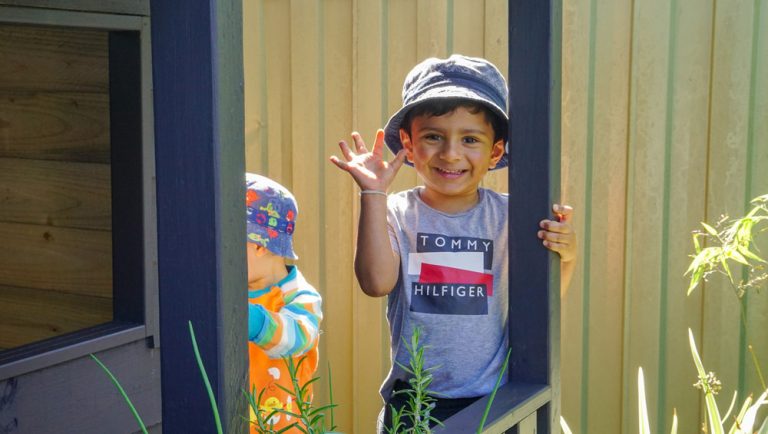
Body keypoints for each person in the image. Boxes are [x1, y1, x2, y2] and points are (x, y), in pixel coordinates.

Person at [329, 54, 577, 431]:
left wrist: (567, 254)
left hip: (492, 400)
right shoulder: (396, 211)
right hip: (413, 404)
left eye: (470, 139)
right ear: (409, 146)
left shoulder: (511, 216)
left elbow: (542, 301)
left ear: (495, 152)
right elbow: (375, 282)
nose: (450, 153)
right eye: (433, 136)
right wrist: (373, 195)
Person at [245, 173, 323, 433]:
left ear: (259, 246)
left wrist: (250, 320)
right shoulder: (229, 291)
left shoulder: (299, 296)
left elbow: (298, 336)